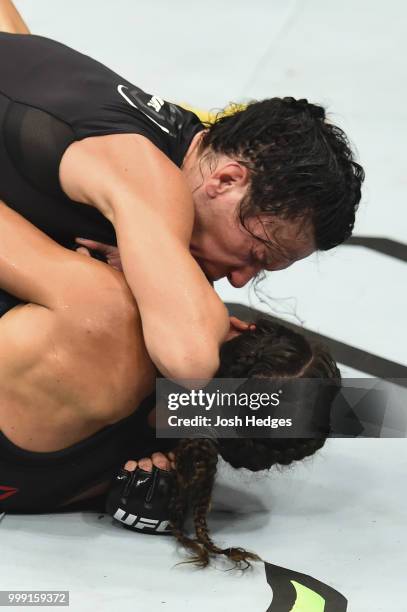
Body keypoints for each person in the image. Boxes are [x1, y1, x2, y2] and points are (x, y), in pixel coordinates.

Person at [0, 4, 365, 387]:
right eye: (255, 255)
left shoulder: (189, 138)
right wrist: (213, 325)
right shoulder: (150, 180)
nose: (239, 281)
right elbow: (189, 361)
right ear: (226, 181)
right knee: (106, 329)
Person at [0, 203, 340, 570]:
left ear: (244, 326)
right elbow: (288, 412)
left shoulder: (105, 309)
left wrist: (143, 251)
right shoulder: (167, 460)